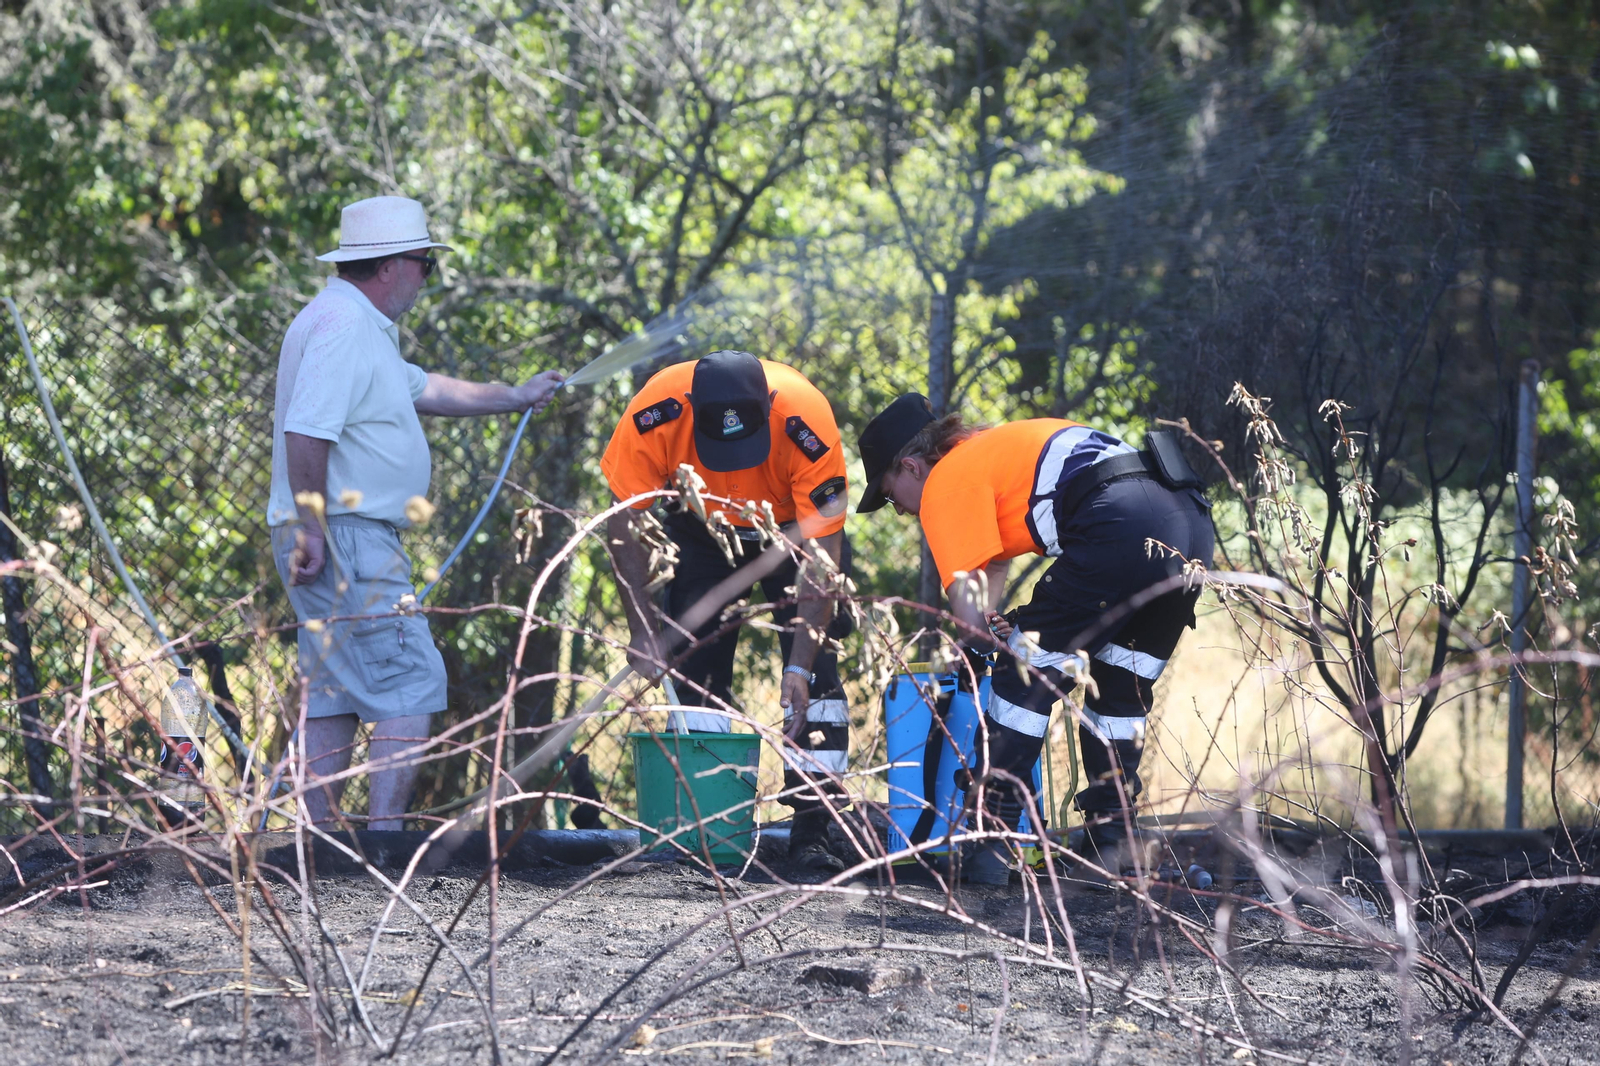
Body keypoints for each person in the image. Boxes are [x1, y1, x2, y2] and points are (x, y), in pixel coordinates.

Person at [267, 195, 565, 830]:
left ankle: (321, 847)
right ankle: (383, 842)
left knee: (335, 688)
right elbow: (306, 432)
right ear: (386, 266)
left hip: (335, 531)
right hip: (345, 532)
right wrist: (315, 527)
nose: (427, 278)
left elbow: (426, 387)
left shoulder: (351, 323)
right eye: (425, 265)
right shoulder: (344, 327)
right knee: (411, 679)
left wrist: (517, 395)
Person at [855, 395, 1213, 881]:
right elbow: (993, 565)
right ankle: (1114, 845)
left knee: (1018, 682)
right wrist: (998, 628)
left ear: (913, 466)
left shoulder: (944, 484)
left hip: (1119, 525)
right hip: (1188, 522)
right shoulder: (988, 453)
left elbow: (970, 618)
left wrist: (989, 643)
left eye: (891, 494)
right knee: (1119, 693)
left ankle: (992, 839)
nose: (898, 509)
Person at [601, 350, 854, 869]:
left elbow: (823, 552)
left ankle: (814, 826)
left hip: (790, 532)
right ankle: (704, 823)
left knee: (819, 672)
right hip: (699, 528)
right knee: (691, 664)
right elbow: (626, 525)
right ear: (692, 410)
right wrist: (644, 629)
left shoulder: (808, 420)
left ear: (770, 409)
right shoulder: (654, 413)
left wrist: (800, 664)